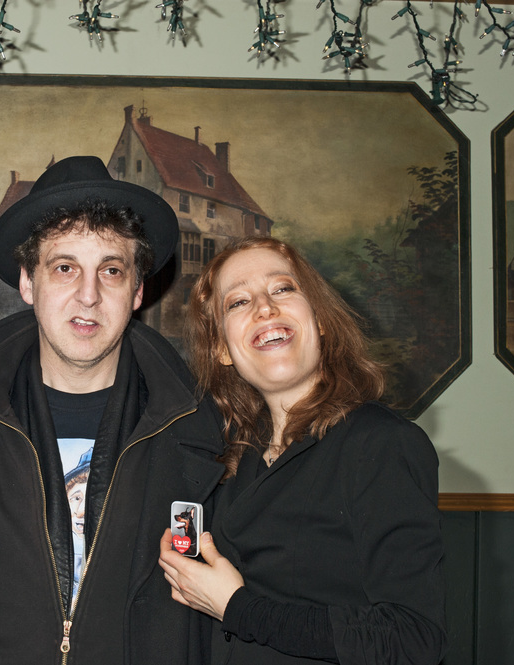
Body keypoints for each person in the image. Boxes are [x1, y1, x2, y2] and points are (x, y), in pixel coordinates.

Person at [0, 156, 226, 665]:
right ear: (28, 283)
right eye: (65, 268)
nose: (88, 296)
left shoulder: (201, 432)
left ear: (137, 291)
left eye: (111, 270)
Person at [158, 236, 447, 665]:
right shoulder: (233, 458)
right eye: (238, 302)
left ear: (321, 319)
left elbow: (413, 639)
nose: (265, 307)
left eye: (282, 289)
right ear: (221, 349)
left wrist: (236, 607)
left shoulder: (381, 443)